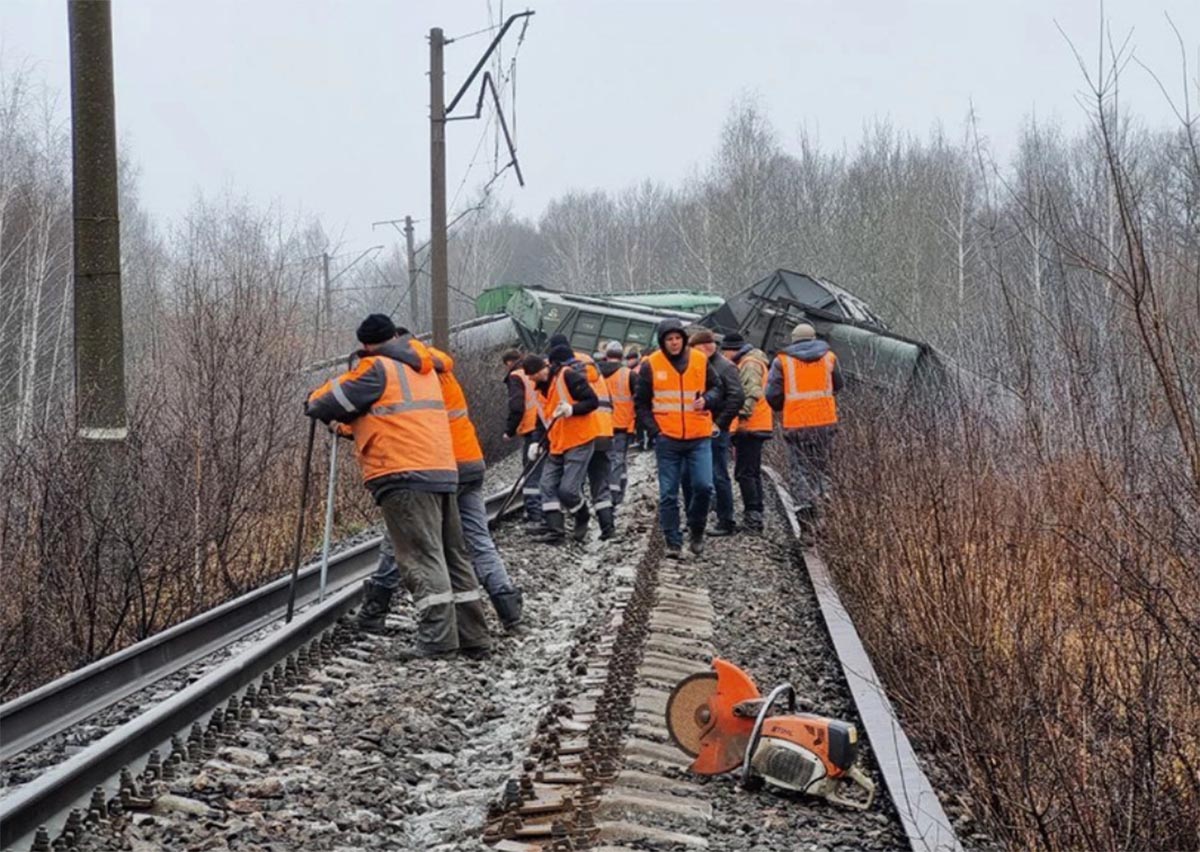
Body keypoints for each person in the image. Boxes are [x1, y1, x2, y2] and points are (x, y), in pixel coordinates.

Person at [305, 314, 490, 661]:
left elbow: (329, 401)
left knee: (421, 555)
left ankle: (437, 639)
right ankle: (473, 635)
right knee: (453, 554)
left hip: (403, 473)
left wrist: (314, 398)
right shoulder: (422, 369)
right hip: (442, 469)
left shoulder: (376, 368)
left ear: (365, 345)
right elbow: (390, 415)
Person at [429, 346, 524, 631]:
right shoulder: (445, 373)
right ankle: (508, 605)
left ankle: (377, 606)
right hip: (471, 461)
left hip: (442, 466)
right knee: (479, 538)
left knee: (415, 538)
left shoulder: (413, 378)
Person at [634, 318, 724, 558]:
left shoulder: (699, 359)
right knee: (668, 493)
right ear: (662, 342)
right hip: (668, 439)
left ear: (683, 339)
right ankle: (673, 541)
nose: (674, 343)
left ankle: (696, 530)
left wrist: (708, 399)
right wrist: (655, 431)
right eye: (669, 339)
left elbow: (718, 388)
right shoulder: (651, 365)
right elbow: (641, 403)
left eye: (677, 338)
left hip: (699, 436)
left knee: (704, 486)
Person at [765, 322, 844, 538]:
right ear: (813, 337)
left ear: (793, 340)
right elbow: (839, 385)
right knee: (822, 468)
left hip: (797, 425)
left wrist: (784, 406)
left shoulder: (782, 361)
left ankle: (806, 522)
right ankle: (825, 510)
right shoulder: (829, 357)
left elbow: (772, 394)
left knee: (800, 471)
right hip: (825, 423)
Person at [525, 349, 601, 544]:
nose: (531, 379)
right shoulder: (540, 391)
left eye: (532, 374)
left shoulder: (567, 376)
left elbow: (592, 401)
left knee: (568, 490)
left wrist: (572, 409)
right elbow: (541, 421)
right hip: (557, 444)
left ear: (542, 369)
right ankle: (555, 532)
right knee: (546, 485)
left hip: (579, 439)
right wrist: (535, 441)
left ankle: (582, 515)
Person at [547, 334, 616, 540]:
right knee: (600, 481)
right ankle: (608, 528)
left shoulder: (564, 369)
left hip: (583, 429)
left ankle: (580, 514)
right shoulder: (588, 361)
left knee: (570, 485)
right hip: (604, 429)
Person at [687, 330, 744, 536]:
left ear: (703, 347)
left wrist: (719, 424)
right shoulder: (711, 364)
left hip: (715, 429)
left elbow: (737, 397)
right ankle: (709, 515)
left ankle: (726, 520)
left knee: (719, 474)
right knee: (708, 474)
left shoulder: (725, 367)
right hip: (704, 426)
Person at [720, 332, 772, 533]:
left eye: (725, 351)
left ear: (732, 350)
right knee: (752, 471)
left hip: (750, 426)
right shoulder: (752, 361)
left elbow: (751, 394)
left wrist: (739, 414)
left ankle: (753, 518)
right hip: (756, 425)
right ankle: (756, 513)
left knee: (745, 473)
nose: (724, 356)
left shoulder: (749, 364)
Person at [502, 349, 545, 528]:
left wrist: (509, 431)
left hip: (531, 427)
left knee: (531, 473)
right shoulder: (534, 372)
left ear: (509, 363)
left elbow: (517, 406)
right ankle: (542, 509)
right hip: (545, 424)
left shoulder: (516, 376)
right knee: (542, 471)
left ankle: (535, 513)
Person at [599, 341, 637, 506]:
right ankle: (614, 494)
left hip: (600, 425)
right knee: (618, 459)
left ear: (606, 356)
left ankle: (606, 491)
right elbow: (639, 400)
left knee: (603, 460)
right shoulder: (629, 374)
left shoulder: (596, 373)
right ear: (621, 357)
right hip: (622, 425)